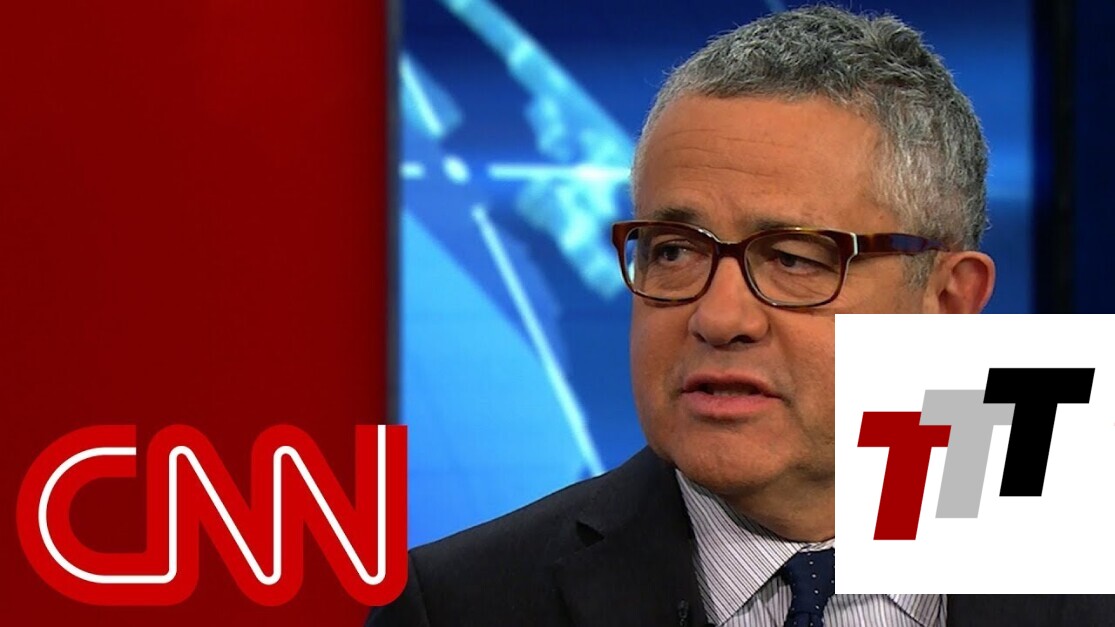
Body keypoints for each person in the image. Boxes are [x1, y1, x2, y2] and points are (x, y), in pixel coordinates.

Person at [369, 6, 1115, 626]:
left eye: (793, 257)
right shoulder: (456, 605)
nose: (718, 316)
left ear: (946, 301)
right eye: (673, 251)